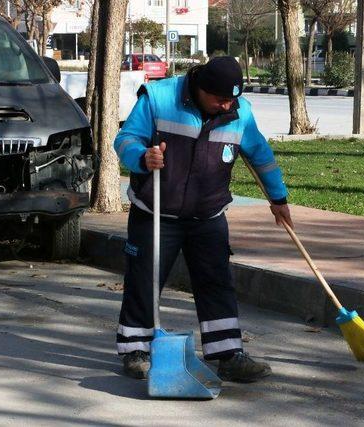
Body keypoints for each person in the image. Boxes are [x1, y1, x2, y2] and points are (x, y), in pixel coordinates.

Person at [113, 56, 293, 382]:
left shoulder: (240, 112)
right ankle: (135, 350)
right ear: (200, 89)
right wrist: (142, 156)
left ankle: (228, 354)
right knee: (144, 281)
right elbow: (125, 139)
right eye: (220, 99)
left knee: (216, 283)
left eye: (231, 100)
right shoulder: (159, 98)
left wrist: (278, 198)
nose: (226, 106)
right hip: (156, 212)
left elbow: (260, 155)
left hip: (208, 214)